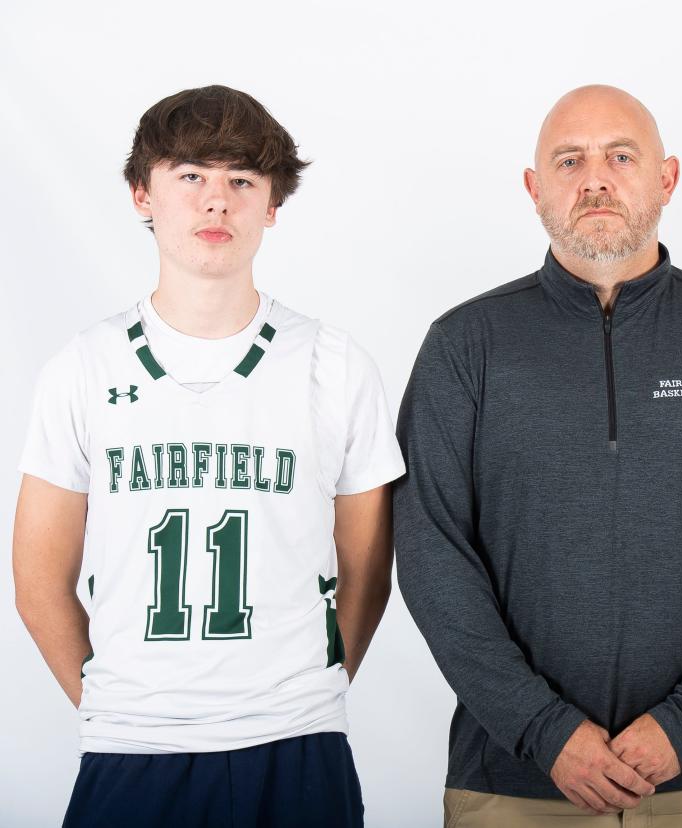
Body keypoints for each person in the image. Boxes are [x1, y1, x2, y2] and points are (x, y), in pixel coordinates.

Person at [394, 84, 682, 827]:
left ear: (667, 177)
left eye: (620, 156)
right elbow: (433, 557)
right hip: (514, 782)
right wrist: (544, 731)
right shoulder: (464, 345)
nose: (594, 178)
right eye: (569, 160)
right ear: (535, 189)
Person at [12, 85, 405, 828]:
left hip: (297, 745)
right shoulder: (84, 368)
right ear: (142, 195)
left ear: (272, 206)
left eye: (242, 181)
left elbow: (367, 571)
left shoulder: (334, 364)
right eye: (190, 174)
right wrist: (117, 704)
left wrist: (306, 695)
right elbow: (38, 578)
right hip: (132, 747)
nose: (216, 201)